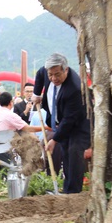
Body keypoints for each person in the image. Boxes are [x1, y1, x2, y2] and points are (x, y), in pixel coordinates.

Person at [33, 53, 91, 194]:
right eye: (51, 75)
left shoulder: (75, 89)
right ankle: (66, 189)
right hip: (61, 122)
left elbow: (69, 120)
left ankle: (72, 192)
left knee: (74, 155)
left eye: (57, 75)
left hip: (78, 126)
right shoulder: (46, 72)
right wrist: (36, 94)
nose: (53, 78)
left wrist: (54, 140)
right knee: (66, 153)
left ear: (66, 70)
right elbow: (41, 74)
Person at [0, 91, 45, 171]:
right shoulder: (10, 115)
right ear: (11, 102)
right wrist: (46, 128)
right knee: (9, 174)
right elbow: (28, 128)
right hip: (6, 150)